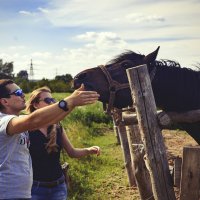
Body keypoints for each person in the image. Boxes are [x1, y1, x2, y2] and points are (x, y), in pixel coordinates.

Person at [0, 79, 99, 200]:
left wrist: (73, 102)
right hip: (8, 193)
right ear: (4, 101)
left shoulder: (22, 122)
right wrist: (70, 101)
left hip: (23, 193)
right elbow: (34, 120)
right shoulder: (3, 121)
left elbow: (50, 120)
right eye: (18, 92)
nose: (23, 95)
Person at [26, 86, 101, 200]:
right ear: (35, 104)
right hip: (35, 189)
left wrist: (89, 150)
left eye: (53, 99)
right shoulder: (26, 129)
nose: (52, 102)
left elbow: (72, 152)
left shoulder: (57, 127)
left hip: (58, 187)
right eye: (47, 100)